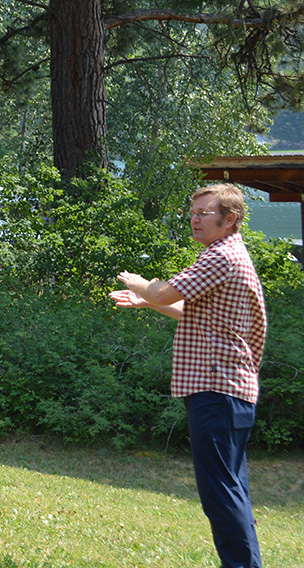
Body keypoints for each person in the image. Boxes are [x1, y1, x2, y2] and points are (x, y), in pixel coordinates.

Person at [110, 183, 267, 568]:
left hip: (218, 391)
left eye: (204, 213)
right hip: (230, 392)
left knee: (220, 494)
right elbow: (193, 313)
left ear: (229, 219)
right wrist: (148, 300)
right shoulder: (229, 254)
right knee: (231, 491)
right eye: (193, 213)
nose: (194, 219)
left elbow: (166, 293)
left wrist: (143, 286)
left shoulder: (221, 257)